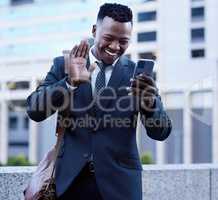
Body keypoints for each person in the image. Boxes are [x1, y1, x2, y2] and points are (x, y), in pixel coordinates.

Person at [26, 3, 172, 200]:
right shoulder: (65, 65)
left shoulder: (137, 76)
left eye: (123, 41)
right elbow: (35, 110)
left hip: (121, 187)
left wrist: (150, 103)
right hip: (70, 184)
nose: (115, 47)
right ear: (95, 30)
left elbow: (161, 132)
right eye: (109, 38)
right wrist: (69, 82)